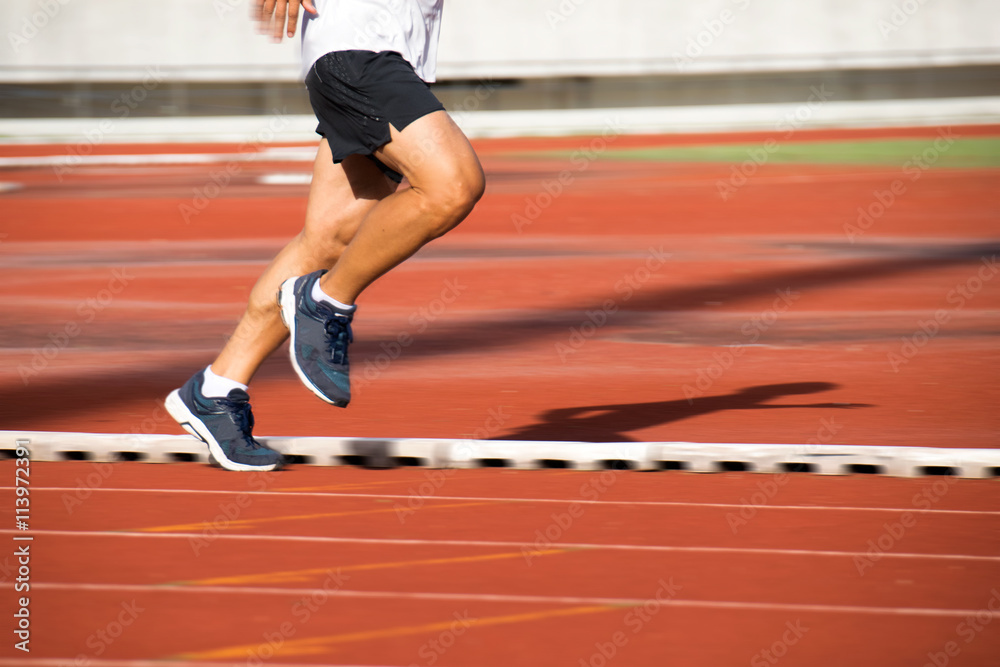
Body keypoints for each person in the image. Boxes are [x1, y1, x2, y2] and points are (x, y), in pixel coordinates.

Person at [165, 0, 485, 471]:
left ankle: (216, 390)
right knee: (452, 186)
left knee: (330, 238)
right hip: (359, 48)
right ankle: (325, 300)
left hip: (389, 51)